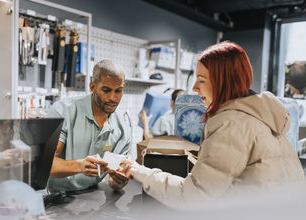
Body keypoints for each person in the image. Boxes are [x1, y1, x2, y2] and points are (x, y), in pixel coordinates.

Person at [118, 41, 305, 208]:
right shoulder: (262, 116)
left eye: (201, 80)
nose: (194, 88)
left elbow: (193, 196)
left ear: (222, 81)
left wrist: (140, 172)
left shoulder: (231, 123)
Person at [47, 60, 131, 192]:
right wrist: (79, 166)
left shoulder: (122, 128)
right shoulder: (63, 111)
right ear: (93, 87)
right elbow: (45, 163)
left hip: (90, 195)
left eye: (118, 91)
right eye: (106, 90)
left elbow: (114, 180)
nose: (113, 98)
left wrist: (118, 181)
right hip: (54, 195)